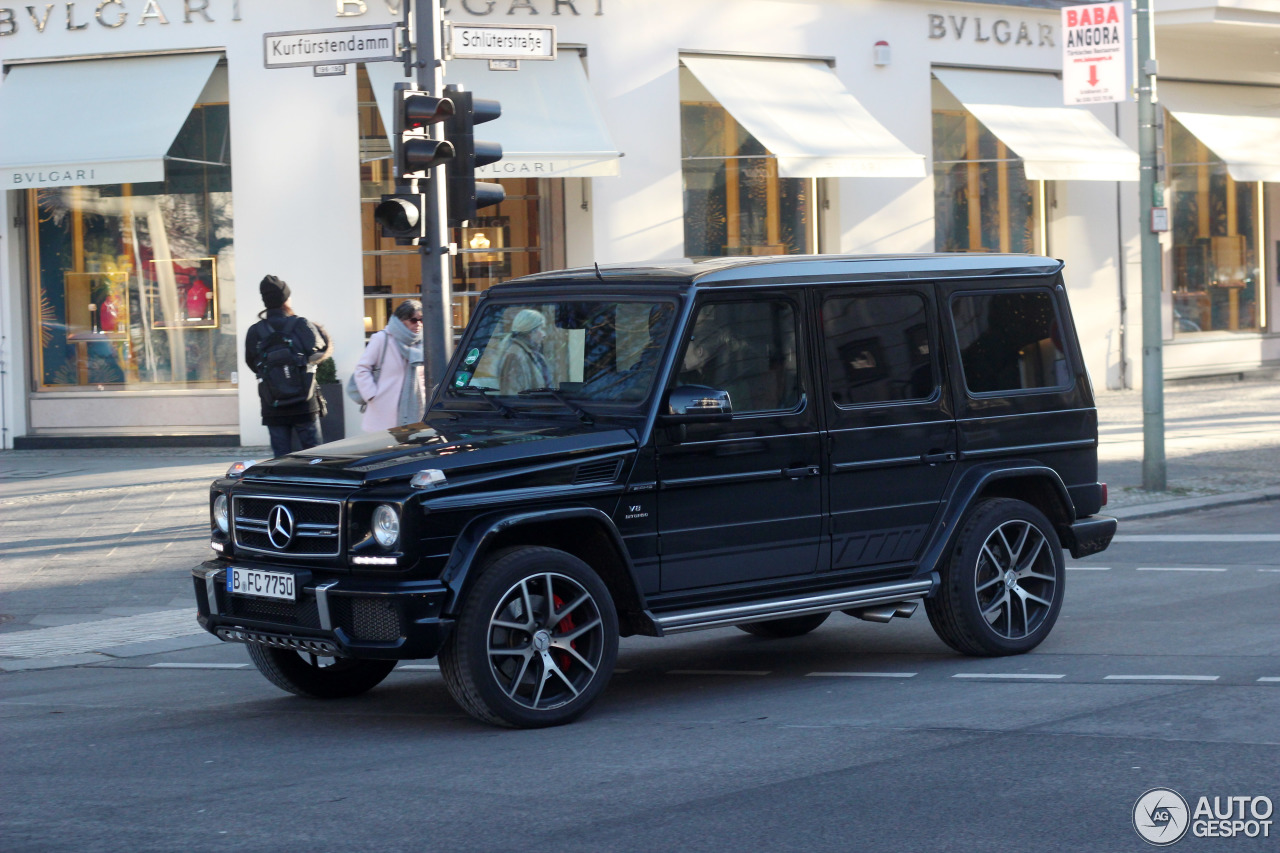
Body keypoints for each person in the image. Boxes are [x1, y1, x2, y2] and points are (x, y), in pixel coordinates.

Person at [244, 275, 331, 458]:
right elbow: (319, 352)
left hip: (272, 404)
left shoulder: (255, 331)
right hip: (304, 402)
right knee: (314, 456)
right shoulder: (301, 324)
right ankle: (314, 486)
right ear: (285, 299)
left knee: (281, 458)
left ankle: (285, 485)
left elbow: (252, 364)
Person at [353, 299, 426, 432]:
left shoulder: (422, 342)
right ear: (401, 320)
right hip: (384, 410)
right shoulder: (382, 339)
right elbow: (362, 369)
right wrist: (372, 396)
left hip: (415, 408)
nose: (419, 324)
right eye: (413, 320)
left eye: (421, 320)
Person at [497, 308, 551, 395]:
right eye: (541, 329)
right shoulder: (515, 355)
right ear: (530, 332)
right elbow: (513, 398)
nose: (544, 334)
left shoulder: (533, 354)